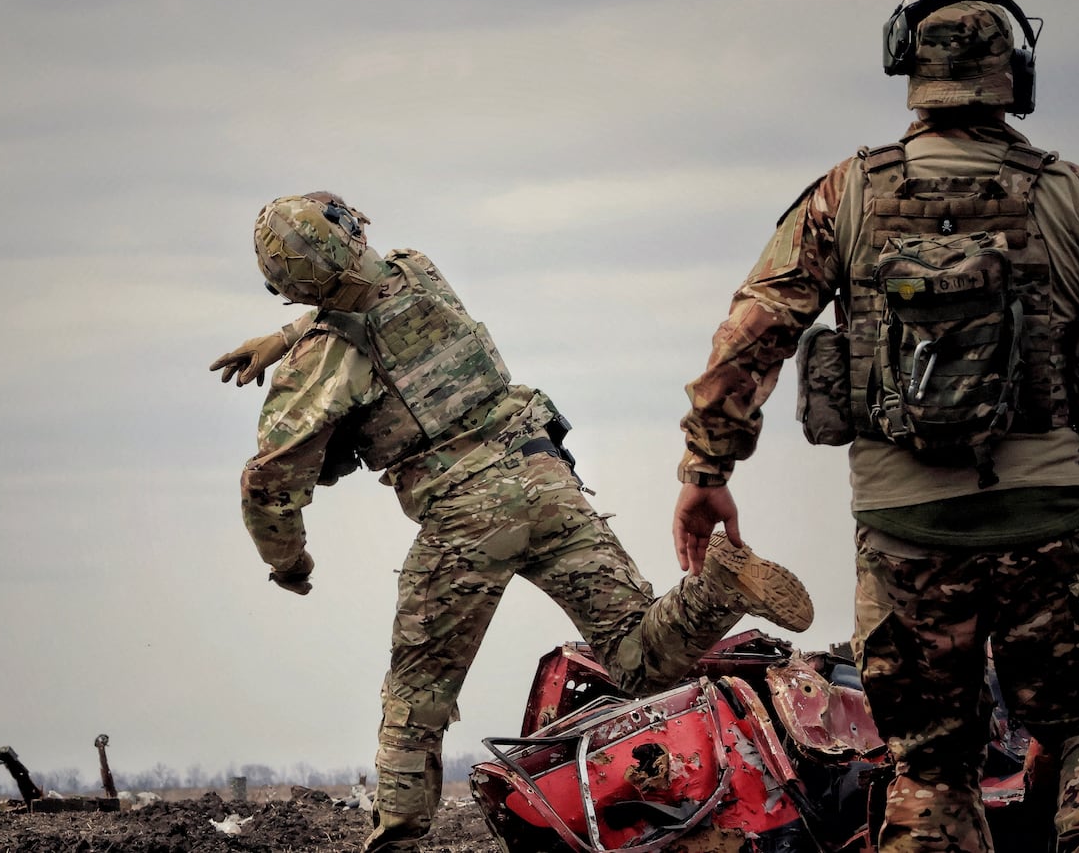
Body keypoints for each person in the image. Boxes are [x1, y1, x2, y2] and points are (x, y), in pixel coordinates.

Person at [671, 0, 1079, 853]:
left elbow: (751, 338)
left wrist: (707, 474)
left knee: (928, 767)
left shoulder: (842, 195)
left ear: (909, 72)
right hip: (1051, 522)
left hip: (903, 535)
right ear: (1015, 78)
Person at [214, 191, 815, 852]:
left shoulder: (318, 363)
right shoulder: (419, 270)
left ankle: (395, 844)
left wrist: (288, 562)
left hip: (467, 518)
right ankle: (719, 587)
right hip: (544, 476)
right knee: (639, 659)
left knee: (416, 698)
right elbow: (362, 305)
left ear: (288, 282)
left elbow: (269, 483)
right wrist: (282, 339)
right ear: (351, 232)